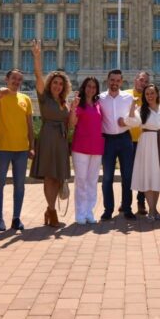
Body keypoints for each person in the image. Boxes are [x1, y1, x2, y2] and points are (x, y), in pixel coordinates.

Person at [30, 40, 72, 227]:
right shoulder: (44, 97)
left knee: (57, 176)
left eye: (60, 84)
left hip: (61, 140)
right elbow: (38, 75)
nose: (57, 86)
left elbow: (70, 123)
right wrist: (37, 57)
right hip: (48, 136)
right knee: (49, 176)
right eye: (55, 83)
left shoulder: (64, 102)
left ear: (64, 87)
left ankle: (49, 209)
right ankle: (52, 211)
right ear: (50, 84)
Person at [0, 68, 35, 232]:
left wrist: (32, 146)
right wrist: (0, 93)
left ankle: (16, 218)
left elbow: (30, 125)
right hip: (2, 148)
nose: (16, 82)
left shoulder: (25, 99)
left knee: (20, 185)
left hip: (21, 149)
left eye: (19, 79)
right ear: (6, 79)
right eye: (13, 79)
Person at [126, 84, 160, 219]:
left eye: (152, 93)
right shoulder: (141, 109)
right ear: (144, 96)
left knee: (158, 175)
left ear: (157, 94)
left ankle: (153, 209)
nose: (150, 96)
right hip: (146, 144)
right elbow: (131, 122)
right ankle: (152, 211)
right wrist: (132, 106)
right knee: (148, 175)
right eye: (147, 94)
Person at [99, 69, 137, 220]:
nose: (114, 83)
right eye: (112, 80)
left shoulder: (128, 98)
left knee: (127, 176)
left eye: (117, 80)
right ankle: (108, 210)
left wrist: (126, 122)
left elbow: (136, 120)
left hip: (124, 139)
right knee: (107, 177)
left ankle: (127, 208)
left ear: (121, 82)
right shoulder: (100, 98)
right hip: (107, 140)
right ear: (107, 80)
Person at [69, 76, 104, 224]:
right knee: (81, 181)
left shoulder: (98, 104)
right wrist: (73, 108)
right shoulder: (79, 104)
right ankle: (80, 213)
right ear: (84, 87)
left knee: (92, 181)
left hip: (97, 147)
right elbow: (72, 124)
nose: (91, 89)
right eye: (89, 86)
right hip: (81, 147)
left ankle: (89, 212)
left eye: (94, 87)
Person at [129, 70, 151, 215]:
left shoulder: (149, 97)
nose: (143, 83)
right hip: (127, 140)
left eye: (146, 81)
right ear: (135, 80)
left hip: (144, 141)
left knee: (142, 173)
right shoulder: (125, 95)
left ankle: (141, 202)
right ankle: (126, 202)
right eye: (141, 80)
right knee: (127, 173)